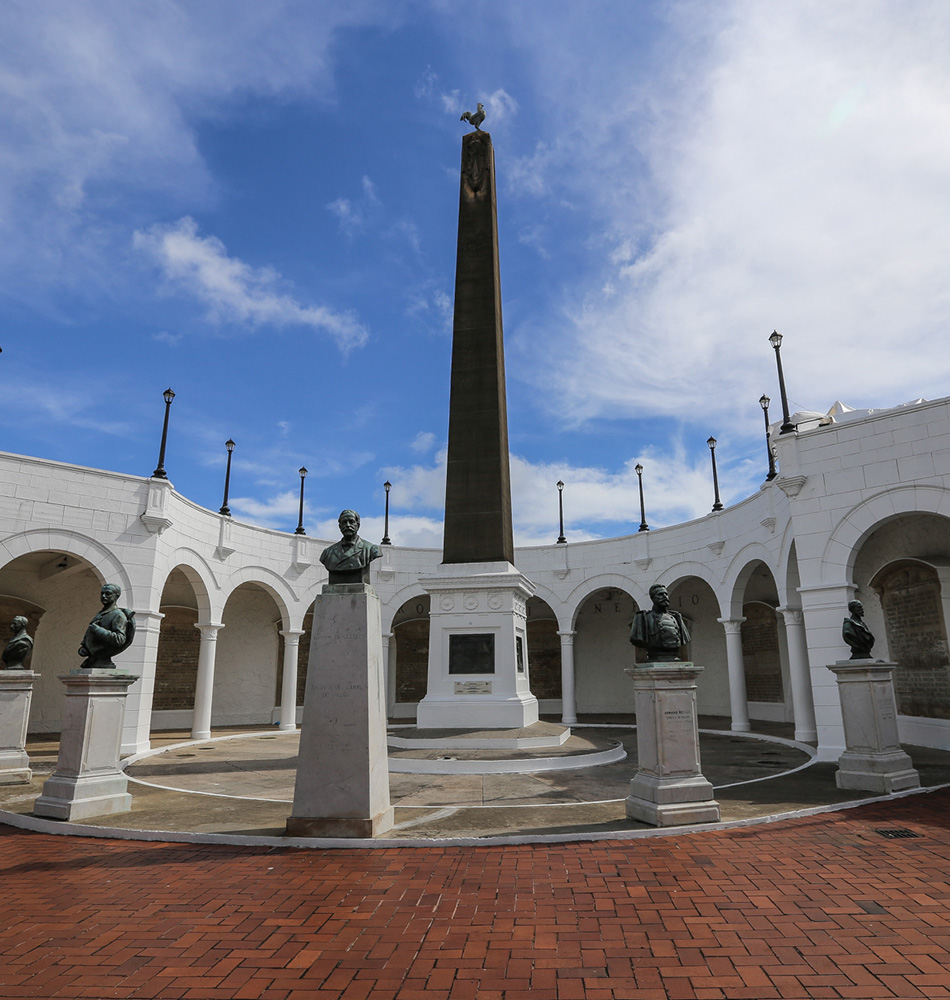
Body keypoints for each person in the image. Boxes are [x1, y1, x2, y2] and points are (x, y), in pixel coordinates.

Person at [79, 583, 135, 668]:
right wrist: (85, 646)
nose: (104, 596)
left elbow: (119, 639)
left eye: (108, 594)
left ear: (117, 596)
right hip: (94, 659)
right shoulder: (102, 613)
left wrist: (98, 630)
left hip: (103, 657)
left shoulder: (118, 615)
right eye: (102, 593)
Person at [319, 510, 382, 585]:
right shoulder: (327, 553)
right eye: (344, 522)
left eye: (351, 522)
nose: (348, 525)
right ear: (340, 526)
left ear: (358, 525)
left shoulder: (371, 549)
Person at [630, 583, 691, 661]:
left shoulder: (676, 617)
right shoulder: (643, 618)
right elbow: (636, 639)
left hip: (674, 657)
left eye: (666, 594)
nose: (665, 597)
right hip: (654, 656)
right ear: (653, 598)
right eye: (660, 594)